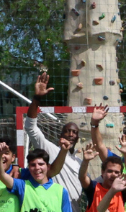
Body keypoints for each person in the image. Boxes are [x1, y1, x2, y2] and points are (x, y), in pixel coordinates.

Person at [25, 70, 90, 200]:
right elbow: (30, 127)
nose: (71, 134)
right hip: (52, 205)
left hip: (74, 209)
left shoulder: (78, 161)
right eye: (67, 131)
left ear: (77, 138)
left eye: (74, 132)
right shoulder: (50, 149)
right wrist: (37, 98)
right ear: (60, 135)